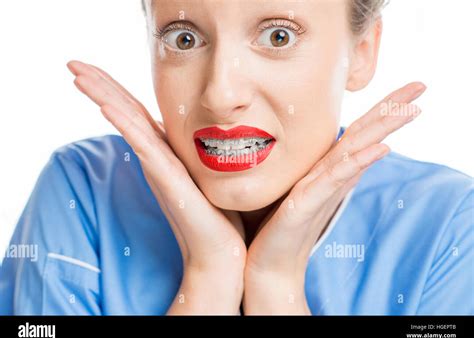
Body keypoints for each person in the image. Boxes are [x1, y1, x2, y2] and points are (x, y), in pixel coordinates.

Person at [0, 0, 472, 315]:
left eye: (278, 37)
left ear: (362, 52)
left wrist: (276, 286)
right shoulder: (83, 191)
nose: (220, 95)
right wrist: (207, 278)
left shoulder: (450, 224)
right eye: (184, 38)